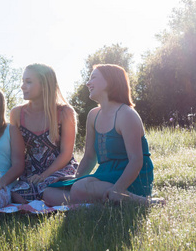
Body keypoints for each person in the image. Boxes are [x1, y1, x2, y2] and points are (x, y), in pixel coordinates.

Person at [43, 64, 160, 206]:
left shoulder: (126, 114)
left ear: (110, 81)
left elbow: (136, 160)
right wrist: (75, 177)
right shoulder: (93, 115)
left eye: (93, 78)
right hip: (104, 174)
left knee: (80, 188)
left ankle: (141, 201)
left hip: (131, 177)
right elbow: (89, 157)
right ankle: (100, 202)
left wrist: (118, 188)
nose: (88, 83)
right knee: (49, 193)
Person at [10, 63, 78, 203]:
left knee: (49, 192)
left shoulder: (64, 112)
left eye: (28, 82)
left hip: (60, 169)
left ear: (44, 85)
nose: (22, 86)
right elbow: (15, 153)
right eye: (23, 81)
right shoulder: (17, 113)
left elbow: (66, 153)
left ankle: (91, 201)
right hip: (30, 174)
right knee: (16, 195)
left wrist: (45, 175)